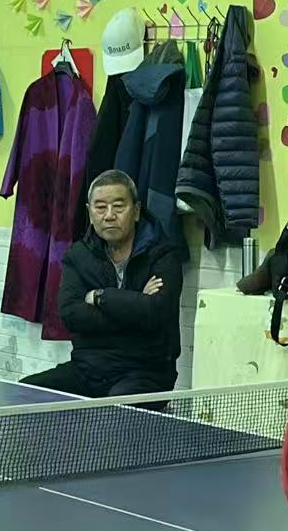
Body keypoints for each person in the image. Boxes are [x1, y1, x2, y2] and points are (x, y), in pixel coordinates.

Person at [22, 170, 181, 397]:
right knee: (24, 392)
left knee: (114, 409)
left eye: (118, 206)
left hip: (146, 372)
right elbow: (71, 314)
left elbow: (156, 312)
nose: (109, 215)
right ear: (89, 212)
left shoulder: (163, 255)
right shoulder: (78, 256)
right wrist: (135, 306)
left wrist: (100, 296)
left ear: (136, 211)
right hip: (88, 368)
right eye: (100, 207)